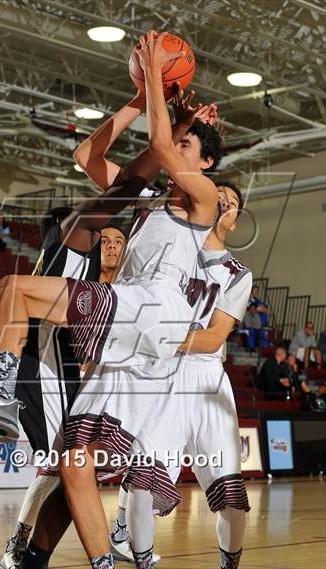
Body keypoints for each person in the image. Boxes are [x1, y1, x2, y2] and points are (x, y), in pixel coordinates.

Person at [0, 30, 222, 569]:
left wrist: (157, 81)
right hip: (130, 327)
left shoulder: (199, 200)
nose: (177, 148)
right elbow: (89, 153)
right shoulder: (151, 201)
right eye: (178, 141)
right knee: (73, 462)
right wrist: (143, 102)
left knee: (15, 289)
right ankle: (73, 559)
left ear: (203, 166)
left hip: (154, 313)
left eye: (188, 148)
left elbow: (159, 149)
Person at [110, 180, 252, 569]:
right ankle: (139, 559)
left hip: (206, 381)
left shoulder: (238, 274)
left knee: (231, 498)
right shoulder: (172, 248)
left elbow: (212, 339)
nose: (224, 201)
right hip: (162, 375)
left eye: (233, 202)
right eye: (218, 194)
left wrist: (158, 333)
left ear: (236, 220)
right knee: (143, 484)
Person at [0, 216, 129, 569]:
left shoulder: (128, 293)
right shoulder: (79, 286)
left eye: (119, 241)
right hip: (65, 382)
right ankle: (19, 544)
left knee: (76, 474)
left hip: (104, 392)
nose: (112, 246)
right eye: (106, 240)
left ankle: (116, 535)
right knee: (56, 470)